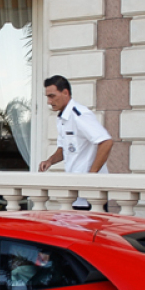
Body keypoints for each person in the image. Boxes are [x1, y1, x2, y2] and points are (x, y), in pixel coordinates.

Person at [38, 75, 113, 209]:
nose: (49, 101)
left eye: (52, 96)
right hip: (74, 192)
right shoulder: (61, 118)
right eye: (47, 97)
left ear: (65, 93)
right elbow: (63, 149)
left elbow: (106, 142)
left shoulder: (80, 114)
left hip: (90, 195)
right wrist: (50, 161)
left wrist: (91, 175)